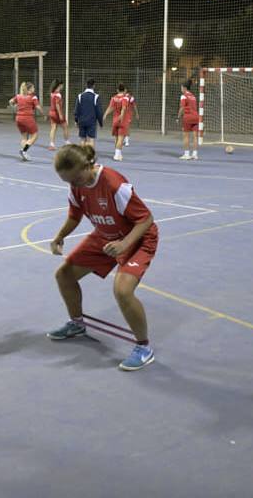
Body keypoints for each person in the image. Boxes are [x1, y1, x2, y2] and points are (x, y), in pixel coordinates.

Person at [46, 144, 159, 371]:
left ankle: (143, 348)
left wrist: (124, 244)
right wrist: (59, 236)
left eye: (76, 179)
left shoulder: (114, 185)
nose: (73, 184)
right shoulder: (76, 186)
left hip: (137, 239)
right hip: (105, 237)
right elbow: (74, 215)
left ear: (88, 166)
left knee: (123, 291)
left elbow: (146, 219)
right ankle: (77, 324)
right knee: (64, 275)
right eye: (67, 181)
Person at [9, 82, 43, 161]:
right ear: (29, 89)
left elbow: (10, 101)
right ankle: (24, 151)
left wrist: (14, 107)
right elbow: (38, 107)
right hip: (27, 118)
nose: (34, 89)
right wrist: (43, 114)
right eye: (33, 87)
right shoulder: (33, 97)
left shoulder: (18, 96)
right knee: (35, 135)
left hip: (18, 118)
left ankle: (24, 153)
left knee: (24, 137)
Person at [103, 83, 130, 161]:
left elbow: (110, 107)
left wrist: (105, 114)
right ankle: (116, 155)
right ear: (124, 90)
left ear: (117, 90)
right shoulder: (125, 98)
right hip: (122, 120)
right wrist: (121, 115)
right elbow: (124, 108)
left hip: (115, 120)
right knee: (121, 139)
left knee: (116, 138)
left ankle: (119, 154)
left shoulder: (113, 98)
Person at [73, 79, 102, 148]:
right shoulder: (96, 97)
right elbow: (99, 112)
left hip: (82, 121)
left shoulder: (80, 96)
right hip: (91, 122)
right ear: (94, 86)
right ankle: (91, 157)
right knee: (91, 139)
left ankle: (82, 156)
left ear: (86, 85)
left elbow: (76, 110)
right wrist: (100, 123)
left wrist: (76, 120)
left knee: (82, 139)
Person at [179, 79, 200, 160]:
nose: (181, 89)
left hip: (188, 117)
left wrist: (178, 116)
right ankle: (195, 154)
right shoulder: (193, 96)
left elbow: (182, 107)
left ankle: (186, 154)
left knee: (186, 136)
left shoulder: (183, 96)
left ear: (184, 88)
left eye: (181, 87)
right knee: (195, 137)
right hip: (196, 117)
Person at [47, 79, 70, 150]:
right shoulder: (58, 94)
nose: (63, 86)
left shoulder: (52, 93)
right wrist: (60, 114)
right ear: (59, 85)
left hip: (51, 112)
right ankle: (67, 142)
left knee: (53, 128)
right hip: (57, 113)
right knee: (65, 127)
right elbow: (57, 104)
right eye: (62, 85)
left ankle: (51, 144)